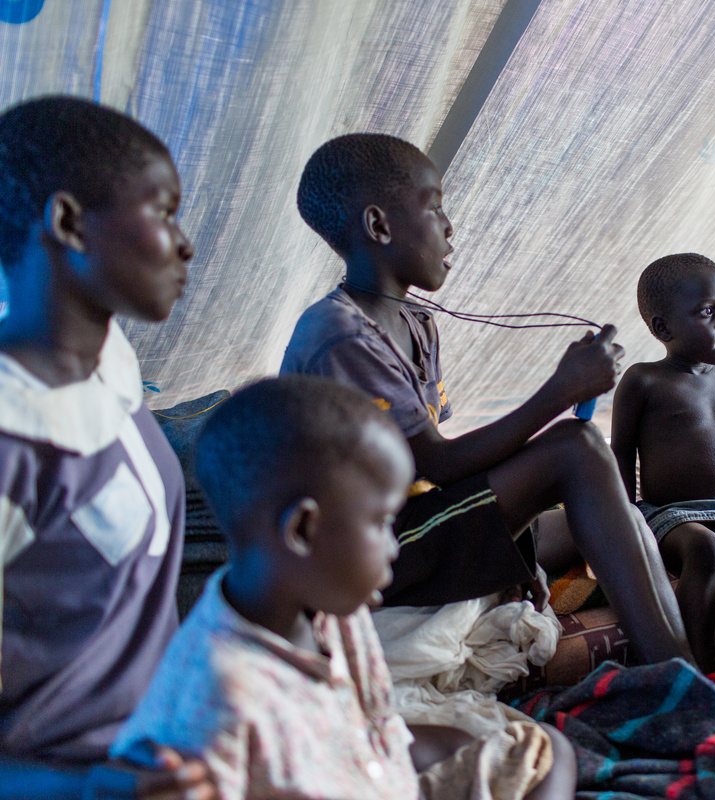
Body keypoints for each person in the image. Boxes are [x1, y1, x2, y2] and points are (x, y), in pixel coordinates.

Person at [280, 133, 691, 665]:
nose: (449, 226)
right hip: (368, 547)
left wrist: (514, 547)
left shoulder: (415, 322)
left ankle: (682, 662)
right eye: (434, 207)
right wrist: (561, 392)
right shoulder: (342, 337)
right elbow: (439, 464)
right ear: (379, 226)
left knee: (618, 518)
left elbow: (436, 465)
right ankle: (679, 677)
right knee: (578, 448)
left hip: (421, 520)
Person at [112, 375, 575, 800]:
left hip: (371, 777)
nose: (393, 546)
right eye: (381, 523)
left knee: (546, 751)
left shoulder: (335, 612)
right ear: (304, 531)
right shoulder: (213, 705)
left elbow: (374, 728)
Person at [0, 96, 214, 799]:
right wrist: (90, 788)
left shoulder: (111, 367)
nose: (185, 244)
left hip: (160, 752)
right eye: (164, 212)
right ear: (68, 223)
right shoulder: (13, 444)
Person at [611, 253, 715, 670]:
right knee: (708, 550)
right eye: (707, 311)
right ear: (663, 328)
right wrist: (626, 521)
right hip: (674, 516)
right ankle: (696, 669)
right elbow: (620, 452)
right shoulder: (644, 380)